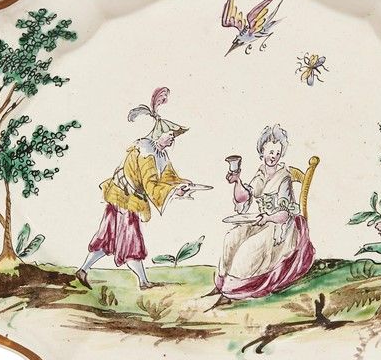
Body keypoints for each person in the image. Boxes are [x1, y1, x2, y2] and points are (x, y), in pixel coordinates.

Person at [76, 87, 193, 290]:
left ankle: (83, 270)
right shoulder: (146, 151)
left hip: (123, 198)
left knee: (109, 238)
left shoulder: (160, 154)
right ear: (159, 134)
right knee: (130, 241)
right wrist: (173, 191)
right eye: (170, 134)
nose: (173, 138)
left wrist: (180, 185)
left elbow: (168, 177)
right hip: (125, 199)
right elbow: (151, 185)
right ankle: (143, 282)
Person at [214, 124, 314, 301]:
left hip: (280, 227)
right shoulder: (261, 173)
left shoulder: (284, 177)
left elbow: (284, 214)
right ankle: (223, 283)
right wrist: (237, 181)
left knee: (248, 249)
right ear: (262, 152)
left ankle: (237, 287)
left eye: (277, 153)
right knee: (231, 237)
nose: (273, 156)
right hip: (262, 221)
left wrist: (267, 217)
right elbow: (244, 197)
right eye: (270, 152)